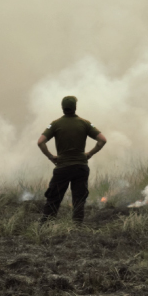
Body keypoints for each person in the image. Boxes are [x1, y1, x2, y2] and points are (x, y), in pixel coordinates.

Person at [37, 95, 107, 223]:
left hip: (62, 167)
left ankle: (46, 225)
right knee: (79, 199)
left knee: (54, 198)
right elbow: (102, 140)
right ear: (75, 107)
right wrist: (89, 154)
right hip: (81, 166)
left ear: (62, 108)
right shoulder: (85, 123)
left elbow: (40, 142)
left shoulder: (55, 124)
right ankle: (77, 226)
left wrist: (51, 157)